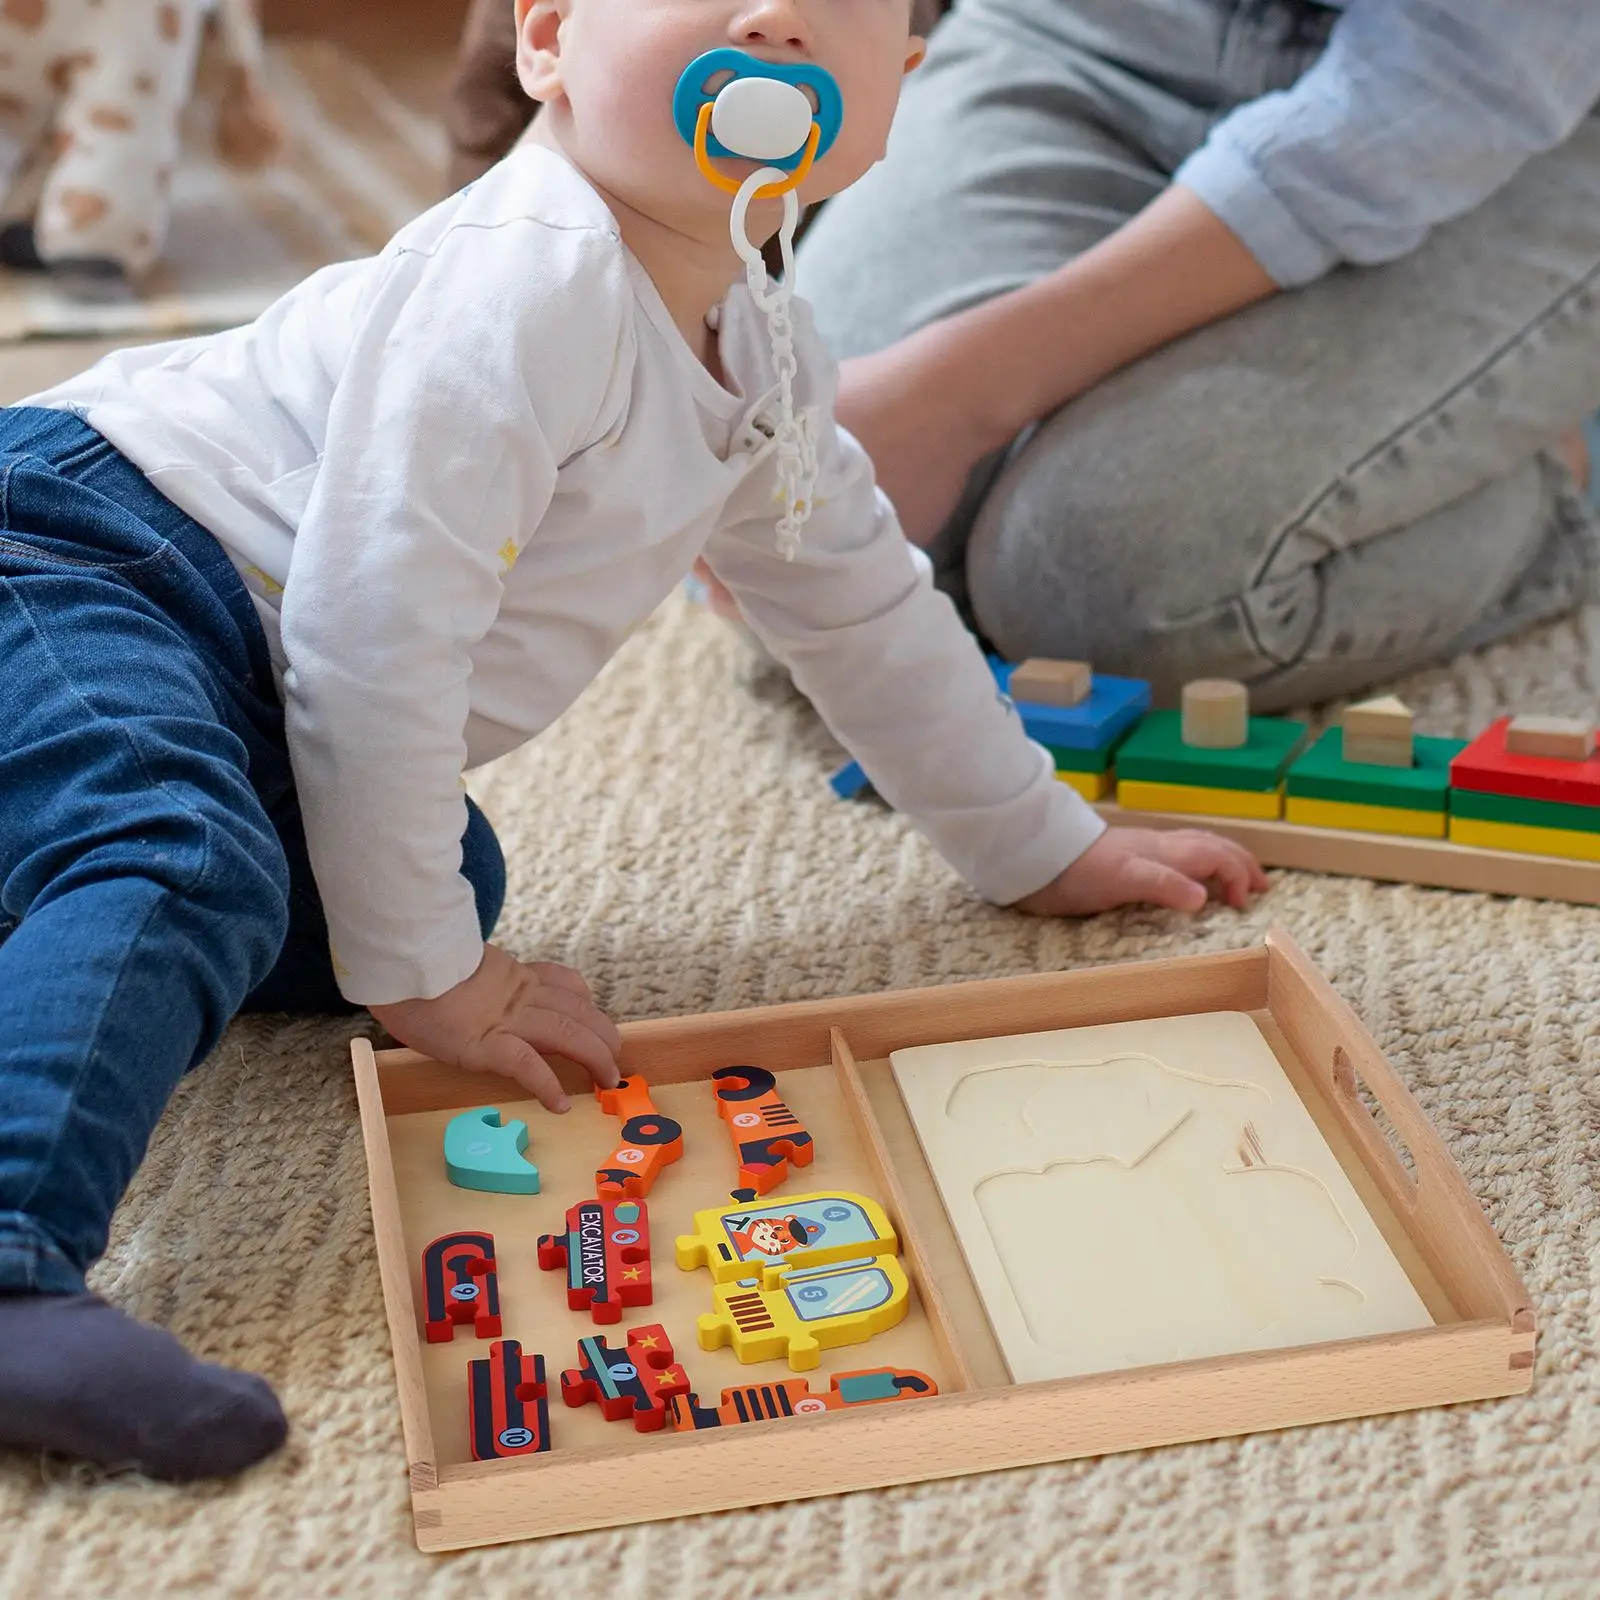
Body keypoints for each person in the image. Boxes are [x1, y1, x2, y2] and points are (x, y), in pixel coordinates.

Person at [0, 0, 1264, 1483]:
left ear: (898, 86)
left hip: (250, 673)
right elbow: (374, 643)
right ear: (548, 38)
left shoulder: (765, 345)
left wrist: (1040, 840)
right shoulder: (522, 287)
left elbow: (861, 605)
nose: (774, 16)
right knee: (202, 863)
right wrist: (431, 983)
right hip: (91, 559)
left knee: (425, 885)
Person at [790, 0, 1600, 710]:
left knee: (1102, 601)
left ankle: (1553, 474)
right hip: (1101, 33)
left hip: (1511, 104)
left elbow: (1440, 92)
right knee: (801, 543)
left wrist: (960, 394)